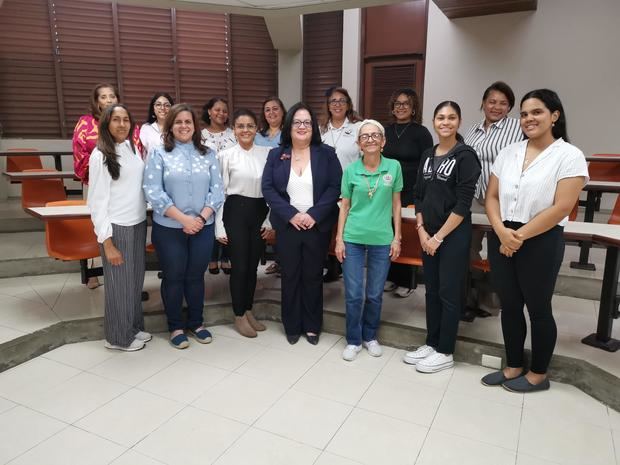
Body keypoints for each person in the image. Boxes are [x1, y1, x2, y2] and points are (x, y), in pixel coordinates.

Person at [481, 89, 588, 392]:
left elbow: (562, 207)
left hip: (541, 237)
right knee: (510, 306)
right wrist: (502, 231)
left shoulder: (569, 155)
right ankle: (514, 365)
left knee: (538, 308)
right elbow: (491, 197)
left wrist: (518, 236)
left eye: (537, 112)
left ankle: (538, 374)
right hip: (503, 234)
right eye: (525, 114)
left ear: (554, 116)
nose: (529, 118)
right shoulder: (509, 152)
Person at [403, 101, 481, 373]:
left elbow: (463, 204)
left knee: (449, 293)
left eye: (451, 118)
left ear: (459, 122)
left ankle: (446, 350)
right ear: (434, 122)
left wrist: (438, 238)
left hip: (453, 236)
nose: (445, 122)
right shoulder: (427, 153)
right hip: (428, 235)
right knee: (432, 291)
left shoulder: (466, 156)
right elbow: (418, 195)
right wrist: (423, 231)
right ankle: (432, 342)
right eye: (440, 118)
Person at [144, 103, 224, 349]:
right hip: (169, 228)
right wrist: (183, 219)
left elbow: (218, 191)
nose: (183, 126)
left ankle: (197, 323)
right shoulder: (158, 153)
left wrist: (200, 219)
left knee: (195, 277)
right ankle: (176, 325)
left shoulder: (208, 154)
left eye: (188, 122)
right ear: (170, 126)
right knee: (174, 276)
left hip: (203, 226)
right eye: (178, 122)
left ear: (195, 126)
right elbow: (153, 191)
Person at [262, 102, 342, 345]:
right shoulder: (276, 154)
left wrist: (314, 214)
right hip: (288, 226)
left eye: (307, 122)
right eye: (297, 121)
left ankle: (312, 325)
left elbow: (334, 187)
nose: (302, 126)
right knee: (290, 275)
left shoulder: (326, 153)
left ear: (313, 127)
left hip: (316, 226)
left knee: (312, 276)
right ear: (289, 126)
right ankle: (292, 325)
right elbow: (268, 188)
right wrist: (291, 215)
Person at [335, 119, 403, 361]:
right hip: (352, 237)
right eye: (365, 136)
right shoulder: (351, 171)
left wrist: (397, 238)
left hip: (382, 239)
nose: (370, 139)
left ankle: (370, 336)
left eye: (375, 136)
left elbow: (396, 204)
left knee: (374, 293)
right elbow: (345, 206)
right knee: (354, 293)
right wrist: (339, 239)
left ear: (383, 142)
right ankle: (353, 339)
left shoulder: (394, 167)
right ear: (358, 143)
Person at [87, 104, 149, 351]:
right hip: (117, 227)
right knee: (119, 286)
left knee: (133, 282)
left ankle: (132, 327)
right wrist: (107, 241)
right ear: (106, 124)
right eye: (116, 120)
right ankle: (117, 338)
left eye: (125, 119)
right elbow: (96, 202)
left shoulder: (131, 147)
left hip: (137, 223)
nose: (122, 124)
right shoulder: (100, 155)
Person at [72, 82, 142, 289]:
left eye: (112, 96)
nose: (108, 99)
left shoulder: (129, 139)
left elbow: (136, 155)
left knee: (131, 276)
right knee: (100, 223)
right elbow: (79, 152)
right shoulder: (86, 125)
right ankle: (93, 271)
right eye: (103, 96)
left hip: (131, 206)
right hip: (100, 183)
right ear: (96, 101)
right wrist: (94, 171)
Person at [463, 81, 523, 321]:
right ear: (483, 103)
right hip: (473, 198)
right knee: (468, 250)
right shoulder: (471, 130)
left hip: (503, 200)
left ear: (509, 107)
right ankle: (469, 300)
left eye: (503, 103)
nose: (496, 107)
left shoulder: (518, 128)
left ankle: (491, 304)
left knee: (499, 253)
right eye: (492, 101)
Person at [215, 109, 273, 338]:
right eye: (240, 126)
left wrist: (270, 219)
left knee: (252, 267)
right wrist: (219, 225)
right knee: (239, 266)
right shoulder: (226, 155)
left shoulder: (267, 153)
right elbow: (219, 193)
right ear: (234, 129)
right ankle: (238, 314)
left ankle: (248, 310)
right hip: (235, 212)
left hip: (260, 211)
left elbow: (273, 189)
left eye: (250, 125)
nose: (245, 130)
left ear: (257, 128)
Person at [383, 88, 434, 298]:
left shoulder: (421, 133)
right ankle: (391, 276)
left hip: (411, 190)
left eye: (405, 104)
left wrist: (421, 192)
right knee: (388, 232)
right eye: (397, 104)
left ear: (413, 109)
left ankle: (407, 281)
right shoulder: (385, 130)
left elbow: (428, 163)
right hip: (387, 189)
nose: (401, 107)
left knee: (407, 234)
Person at [321, 87, 363, 283]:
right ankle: (331, 268)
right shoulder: (320, 130)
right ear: (328, 106)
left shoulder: (358, 128)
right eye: (333, 101)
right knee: (327, 230)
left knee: (347, 231)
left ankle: (349, 272)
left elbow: (366, 158)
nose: (337, 104)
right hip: (325, 190)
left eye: (341, 100)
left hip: (351, 191)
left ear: (348, 105)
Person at [201, 97, 236, 275]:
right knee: (210, 219)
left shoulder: (234, 133)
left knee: (228, 220)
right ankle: (212, 258)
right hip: (207, 185)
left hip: (230, 184)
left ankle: (226, 258)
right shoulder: (200, 135)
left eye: (224, 110)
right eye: (217, 110)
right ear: (209, 111)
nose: (221, 113)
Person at [254, 96, 287, 275]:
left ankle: (284, 261)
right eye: (267, 109)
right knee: (266, 225)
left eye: (275, 108)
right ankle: (277, 260)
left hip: (282, 186)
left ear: (283, 112)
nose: (272, 112)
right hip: (260, 186)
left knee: (280, 222)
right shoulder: (258, 136)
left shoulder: (289, 134)